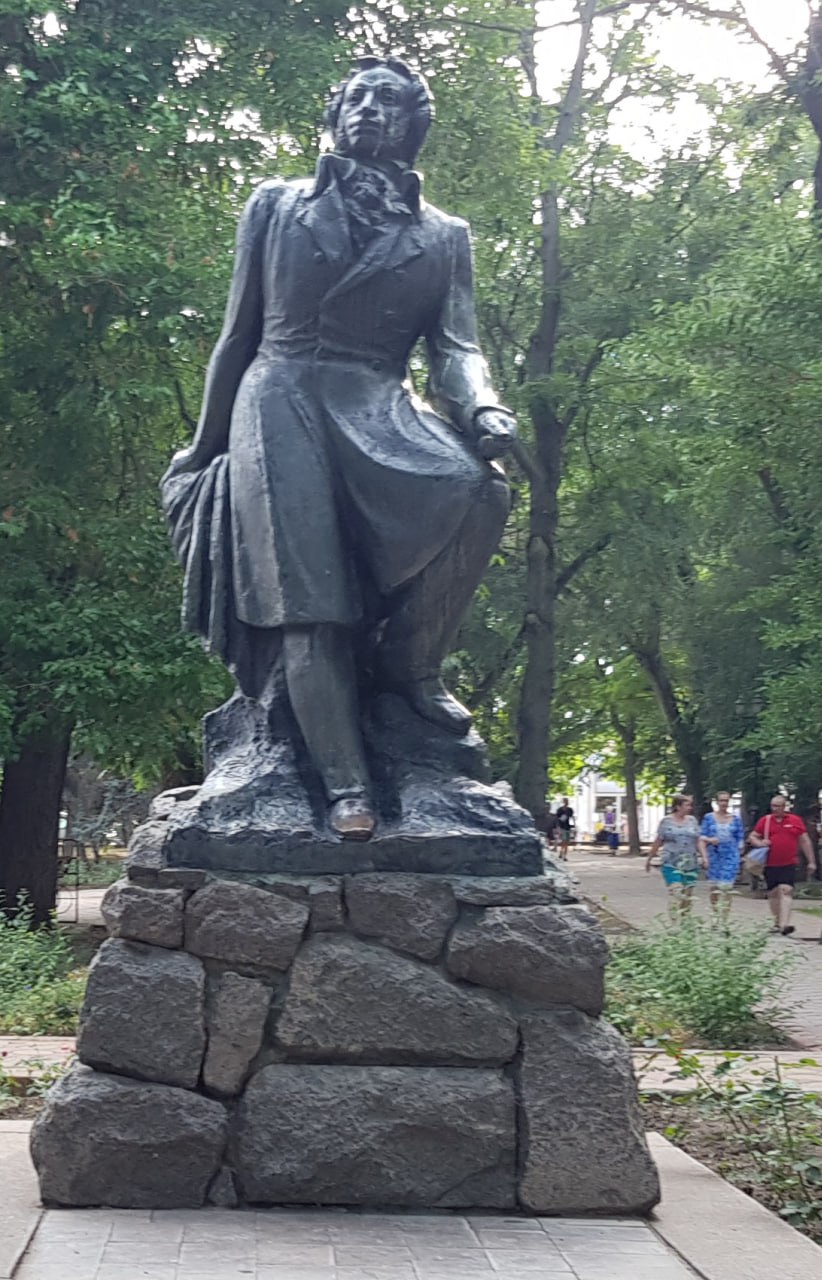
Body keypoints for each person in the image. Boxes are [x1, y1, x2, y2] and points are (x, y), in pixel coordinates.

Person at [161, 57, 516, 841]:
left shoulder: (443, 235)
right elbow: (236, 336)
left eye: (387, 100)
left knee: (482, 491)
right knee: (310, 602)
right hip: (280, 398)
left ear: (412, 124)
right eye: (356, 96)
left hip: (377, 403)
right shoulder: (276, 203)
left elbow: (456, 347)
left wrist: (483, 407)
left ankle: (409, 667)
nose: (369, 109)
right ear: (334, 112)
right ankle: (345, 788)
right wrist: (205, 445)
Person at [749, 795, 817, 936]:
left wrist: (811, 861)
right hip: (770, 863)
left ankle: (784, 925)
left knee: (786, 890)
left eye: (778, 806)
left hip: (789, 862)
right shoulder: (766, 821)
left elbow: (804, 841)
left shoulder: (795, 821)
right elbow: (753, 836)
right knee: (773, 893)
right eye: (773, 806)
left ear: (784, 806)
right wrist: (760, 843)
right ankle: (777, 922)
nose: (775, 809)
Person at [645, 795, 707, 915]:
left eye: (690, 805)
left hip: (690, 863)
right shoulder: (666, 821)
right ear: (678, 806)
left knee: (687, 896)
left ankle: (684, 921)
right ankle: (674, 921)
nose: (690, 808)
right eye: (687, 805)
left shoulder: (692, 821)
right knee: (676, 892)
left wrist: (704, 857)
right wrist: (649, 858)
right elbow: (659, 840)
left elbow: (698, 840)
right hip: (671, 862)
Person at [700, 791, 744, 913]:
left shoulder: (735, 819)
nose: (724, 803)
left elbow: (740, 840)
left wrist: (739, 855)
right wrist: (709, 841)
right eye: (721, 800)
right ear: (717, 802)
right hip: (714, 856)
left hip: (730, 856)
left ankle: (724, 917)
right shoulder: (708, 818)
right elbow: (701, 837)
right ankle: (715, 915)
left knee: (726, 887)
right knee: (714, 888)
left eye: (726, 800)